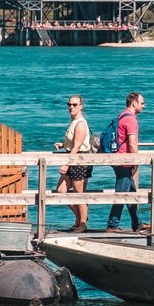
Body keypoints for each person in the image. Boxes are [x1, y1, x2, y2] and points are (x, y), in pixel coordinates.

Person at [104, 92, 146, 232]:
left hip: (118, 157)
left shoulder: (121, 115)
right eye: (142, 103)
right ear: (134, 103)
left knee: (131, 192)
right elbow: (133, 143)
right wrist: (136, 161)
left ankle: (137, 223)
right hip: (124, 159)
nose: (143, 106)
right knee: (122, 192)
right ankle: (112, 225)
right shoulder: (130, 119)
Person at [54, 95, 92, 233]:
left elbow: (77, 146)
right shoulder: (73, 122)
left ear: (81, 106)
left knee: (78, 193)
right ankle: (79, 218)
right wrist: (63, 144)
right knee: (61, 191)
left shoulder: (81, 123)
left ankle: (82, 223)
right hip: (73, 159)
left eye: (74, 105)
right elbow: (73, 143)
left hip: (80, 161)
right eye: (69, 104)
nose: (71, 107)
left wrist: (66, 165)